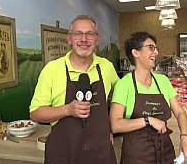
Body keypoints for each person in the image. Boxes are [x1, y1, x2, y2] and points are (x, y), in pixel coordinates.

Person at [29, 15, 119, 164]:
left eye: (90, 34)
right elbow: (35, 113)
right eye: (78, 34)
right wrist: (68, 110)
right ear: (69, 39)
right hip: (63, 155)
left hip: (101, 154)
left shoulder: (106, 67)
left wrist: (110, 126)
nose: (84, 39)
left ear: (97, 39)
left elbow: (118, 98)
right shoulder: (52, 70)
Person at [110, 32, 187, 164]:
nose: (155, 52)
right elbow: (115, 125)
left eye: (156, 48)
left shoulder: (163, 81)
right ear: (135, 53)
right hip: (137, 154)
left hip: (164, 150)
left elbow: (180, 112)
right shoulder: (124, 84)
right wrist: (148, 120)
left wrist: (185, 136)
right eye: (151, 48)